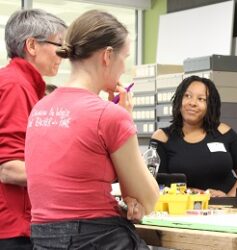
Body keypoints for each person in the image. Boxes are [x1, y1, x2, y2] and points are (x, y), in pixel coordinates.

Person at [24, 10, 159, 249]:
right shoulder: (110, 115)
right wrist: (127, 121)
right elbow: (148, 200)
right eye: (124, 57)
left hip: (43, 239)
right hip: (97, 237)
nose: (123, 67)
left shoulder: (39, 109)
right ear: (107, 56)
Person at [0, 9, 66, 250]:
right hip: (11, 226)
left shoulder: (25, 86)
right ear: (32, 45)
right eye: (58, 45)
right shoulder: (15, 85)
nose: (62, 54)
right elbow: (10, 169)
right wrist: (74, 180)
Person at [151, 75, 237, 197]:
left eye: (201, 99)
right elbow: (155, 183)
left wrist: (229, 199)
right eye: (187, 96)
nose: (192, 103)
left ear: (210, 106)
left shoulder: (223, 132)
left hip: (225, 210)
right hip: (182, 209)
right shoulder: (162, 137)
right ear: (179, 100)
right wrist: (192, 194)